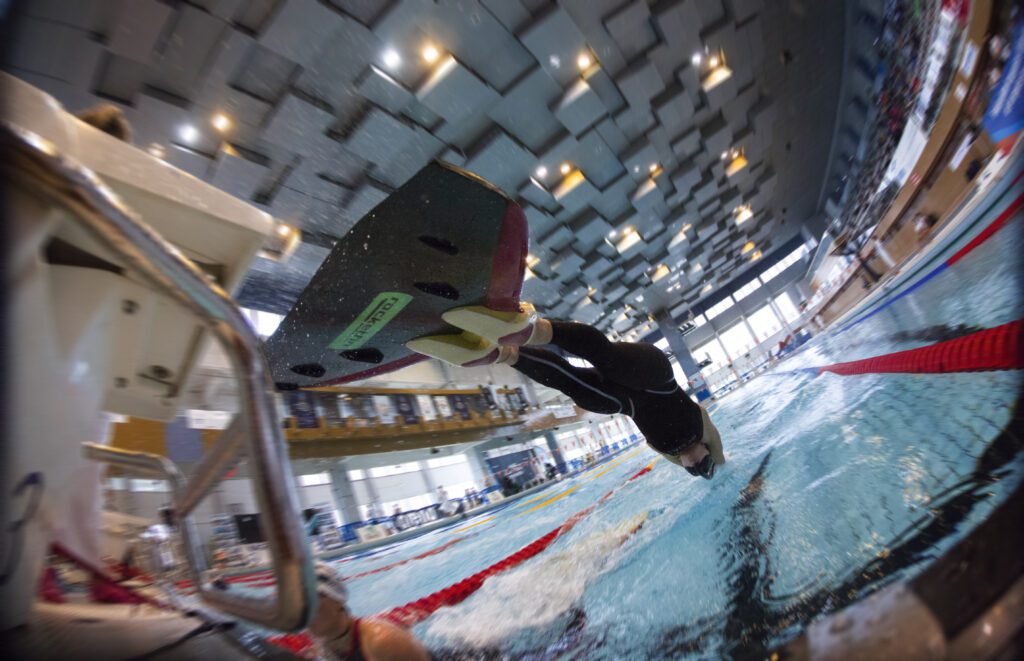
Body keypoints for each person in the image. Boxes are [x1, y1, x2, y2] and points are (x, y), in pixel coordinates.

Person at [408, 304, 725, 479]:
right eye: (705, 464)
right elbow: (722, 459)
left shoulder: (667, 451)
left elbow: (689, 459)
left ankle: (501, 354)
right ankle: (531, 329)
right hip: (656, 376)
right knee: (609, 359)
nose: (699, 466)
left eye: (696, 471)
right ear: (709, 450)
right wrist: (724, 469)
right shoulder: (703, 429)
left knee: (582, 393)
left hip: (626, 401)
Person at [309, 561, 430, 661]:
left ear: (337, 599)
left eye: (312, 600)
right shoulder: (320, 645)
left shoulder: (382, 642)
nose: (307, 612)